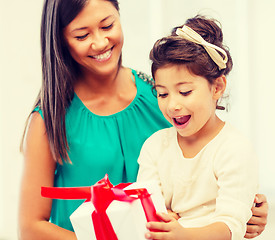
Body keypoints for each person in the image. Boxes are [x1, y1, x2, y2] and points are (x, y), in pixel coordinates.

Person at [18, 0, 268, 239]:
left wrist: (248, 207)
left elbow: (204, 173)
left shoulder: (160, 96)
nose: (100, 42)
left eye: (107, 26)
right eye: (82, 35)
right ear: (61, 40)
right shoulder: (48, 120)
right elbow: (30, 229)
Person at [136, 15, 266, 240]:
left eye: (185, 92)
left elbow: (231, 225)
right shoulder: (155, 146)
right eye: (162, 94)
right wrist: (162, 218)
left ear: (217, 87)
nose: (172, 105)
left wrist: (183, 234)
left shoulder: (234, 148)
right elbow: (145, 210)